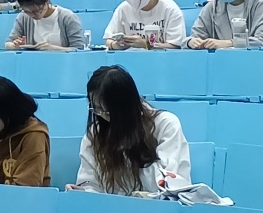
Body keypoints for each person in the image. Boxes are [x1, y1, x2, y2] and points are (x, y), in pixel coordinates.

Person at [69, 66, 188, 195]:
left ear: (127, 105)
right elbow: (91, 183)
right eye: (97, 108)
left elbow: (167, 184)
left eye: (108, 111)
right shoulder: (95, 133)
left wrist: (129, 154)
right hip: (112, 206)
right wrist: (83, 192)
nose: (103, 116)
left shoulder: (166, 124)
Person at [7, 0, 87, 51]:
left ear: (47, 1)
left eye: (38, 11)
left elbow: (78, 48)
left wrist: (54, 49)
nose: (33, 15)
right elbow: (8, 43)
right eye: (28, 12)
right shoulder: (23, 17)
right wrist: (16, 45)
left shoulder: (68, 17)